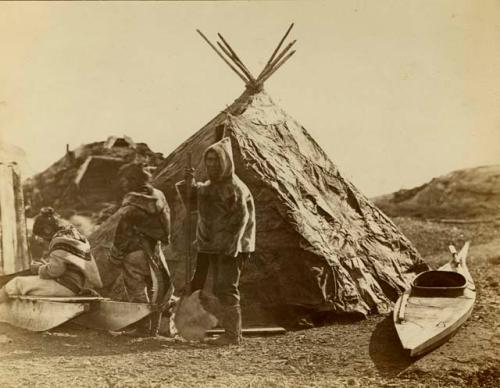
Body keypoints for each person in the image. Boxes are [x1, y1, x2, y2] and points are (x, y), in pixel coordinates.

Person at [178, 137, 256, 345]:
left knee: (226, 287)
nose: (212, 164)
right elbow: (195, 200)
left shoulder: (235, 188)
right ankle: (206, 325)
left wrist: (232, 247)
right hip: (211, 244)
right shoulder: (211, 185)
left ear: (225, 162)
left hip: (232, 246)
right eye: (209, 160)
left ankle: (233, 335)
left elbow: (242, 220)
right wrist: (189, 184)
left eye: (216, 160)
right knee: (201, 282)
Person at [109, 161, 172, 336]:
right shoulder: (158, 195)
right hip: (154, 248)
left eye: (126, 179)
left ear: (133, 179)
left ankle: (142, 327)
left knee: (136, 289)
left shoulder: (132, 201)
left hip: (134, 251)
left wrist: (116, 253)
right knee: (156, 288)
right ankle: (157, 328)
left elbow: (124, 229)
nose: (123, 183)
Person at [0, 207, 102, 302]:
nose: (44, 240)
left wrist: (39, 268)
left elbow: (55, 272)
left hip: (64, 287)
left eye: (43, 237)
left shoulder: (60, 241)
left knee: (17, 283)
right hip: (75, 286)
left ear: (47, 230)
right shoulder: (75, 237)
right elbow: (68, 264)